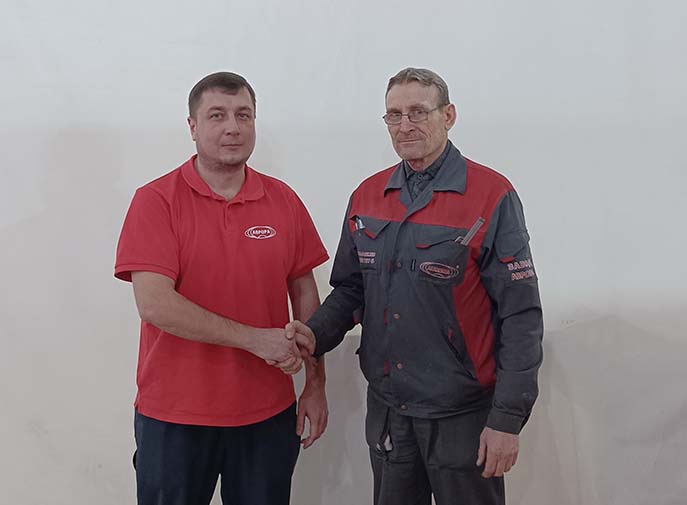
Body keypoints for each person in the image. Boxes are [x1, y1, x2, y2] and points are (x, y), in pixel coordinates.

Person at [286, 67, 543, 505]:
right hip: (389, 412)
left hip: (462, 415)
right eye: (394, 114)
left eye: (418, 112)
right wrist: (314, 334)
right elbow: (351, 291)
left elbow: (520, 316)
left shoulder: (490, 195)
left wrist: (506, 419)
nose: (405, 125)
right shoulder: (368, 196)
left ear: (449, 115)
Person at [114, 71, 329, 505]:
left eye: (243, 115)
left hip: (267, 414)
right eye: (217, 115)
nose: (233, 127)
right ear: (192, 127)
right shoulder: (156, 200)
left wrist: (315, 383)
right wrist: (255, 340)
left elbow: (305, 295)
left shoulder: (283, 200)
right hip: (174, 416)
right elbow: (155, 304)